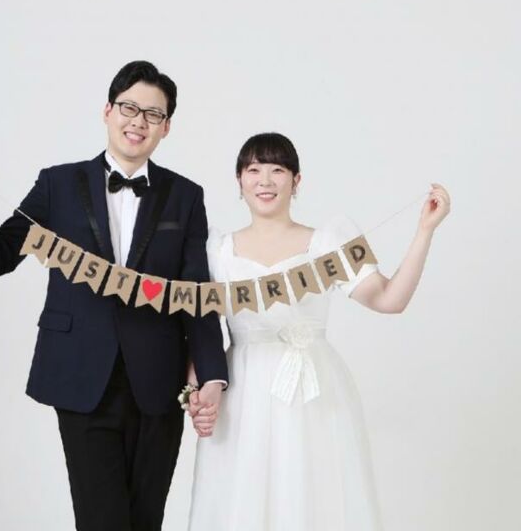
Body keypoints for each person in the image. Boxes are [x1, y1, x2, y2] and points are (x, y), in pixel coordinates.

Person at [0, 60, 228, 531]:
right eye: (129, 108)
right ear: (107, 111)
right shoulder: (57, 184)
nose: (138, 122)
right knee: (101, 521)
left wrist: (212, 373)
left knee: (146, 520)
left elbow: (197, 293)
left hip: (159, 380)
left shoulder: (185, 196)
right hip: (80, 375)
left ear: (166, 127)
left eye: (153, 114)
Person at [186, 132, 450, 531]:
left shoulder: (327, 243)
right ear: (239, 180)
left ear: (297, 180)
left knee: (313, 494)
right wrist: (196, 386)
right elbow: (197, 325)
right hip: (242, 389)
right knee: (241, 496)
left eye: (278, 170)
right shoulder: (217, 250)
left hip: (313, 389)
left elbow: (389, 298)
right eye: (253, 170)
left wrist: (425, 231)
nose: (265, 180)